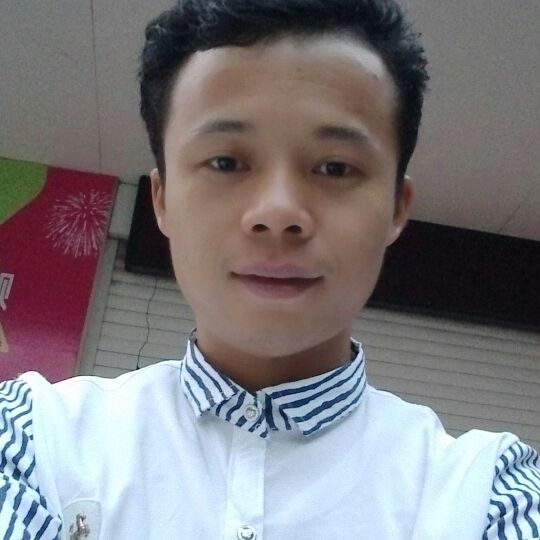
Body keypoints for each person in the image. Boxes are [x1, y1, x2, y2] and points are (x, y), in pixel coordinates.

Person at [1, 0, 539, 538]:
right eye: (226, 162)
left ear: (397, 208)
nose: (278, 212)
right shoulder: (31, 441)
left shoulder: (489, 496)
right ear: (161, 201)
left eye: (335, 168)